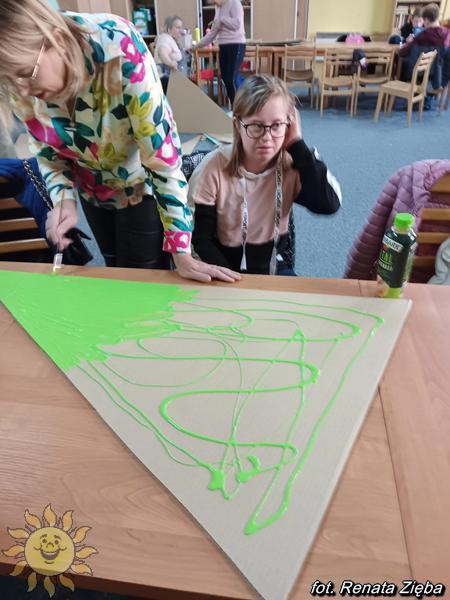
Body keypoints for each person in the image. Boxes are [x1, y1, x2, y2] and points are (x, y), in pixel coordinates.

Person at [0, 0, 240, 283]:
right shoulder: (21, 75)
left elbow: (163, 160)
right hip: (92, 190)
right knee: (114, 271)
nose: (21, 92)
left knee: (143, 283)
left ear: (57, 40)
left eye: (25, 74)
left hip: (141, 186)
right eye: (8, 82)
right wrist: (63, 198)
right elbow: (47, 152)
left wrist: (181, 251)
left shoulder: (119, 47)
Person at [189, 75, 342, 276]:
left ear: (289, 124)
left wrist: (297, 144)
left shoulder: (294, 163)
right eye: (256, 126)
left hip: (272, 266)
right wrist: (235, 281)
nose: (267, 137)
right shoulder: (212, 169)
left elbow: (329, 204)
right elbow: (200, 240)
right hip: (223, 267)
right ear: (237, 125)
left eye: (277, 125)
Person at [196, 0, 246, 105]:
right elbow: (213, 32)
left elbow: (237, 24)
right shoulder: (218, 8)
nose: (212, 2)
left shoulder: (234, 3)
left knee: (230, 78)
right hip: (223, 45)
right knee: (225, 77)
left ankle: (239, 107)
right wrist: (197, 45)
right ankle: (236, 106)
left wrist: (222, 19)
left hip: (236, 44)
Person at [154, 15, 189, 94]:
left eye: (181, 27)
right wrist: (170, 63)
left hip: (172, 80)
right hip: (166, 79)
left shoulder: (172, 39)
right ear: (169, 29)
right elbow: (162, 52)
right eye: (178, 27)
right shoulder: (165, 38)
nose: (181, 30)